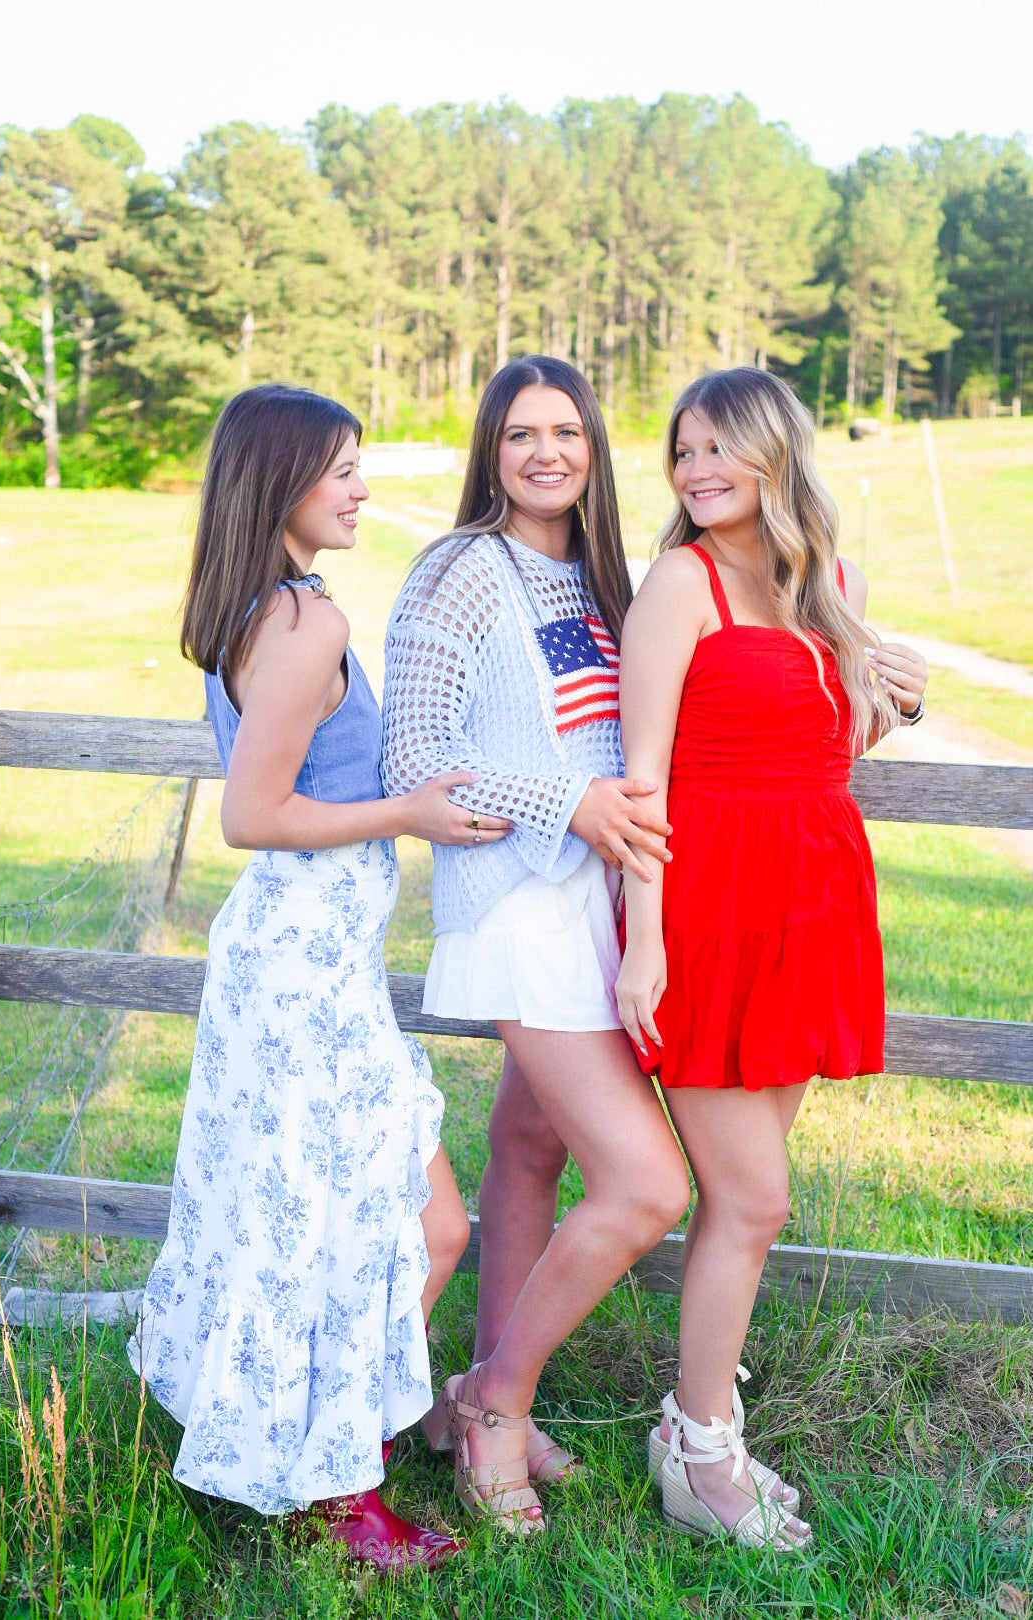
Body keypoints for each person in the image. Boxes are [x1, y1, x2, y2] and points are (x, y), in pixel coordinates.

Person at [127, 383, 510, 1570]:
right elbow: (252, 812)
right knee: (394, 1228)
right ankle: (335, 1493)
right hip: (301, 965)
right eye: (339, 469)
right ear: (279, 480)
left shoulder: (267, 606)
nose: (360, 487)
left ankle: (314, 1453)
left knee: (393, 1221)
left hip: (307, 958)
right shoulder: (303, 622)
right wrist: (417, 813)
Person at [616, 367, 928, 1550]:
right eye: (681, 453)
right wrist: (644, 940)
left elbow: (828, 737)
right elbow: (643, 780)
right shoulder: (677, 586)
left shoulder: (827, 582)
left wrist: (899, 700)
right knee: (753, 1197)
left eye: (716, 450)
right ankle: (700, 1455)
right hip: (709, 912)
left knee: (744, 1202)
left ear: (772, 452)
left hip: (813, 904)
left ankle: (696, 1427)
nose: (695, 472)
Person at [382, 355, 690, 1535]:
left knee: (525, 1149)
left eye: (566, 431)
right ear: (490, 450)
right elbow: (413, 758)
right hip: (517, 903)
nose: (545, 452)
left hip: (595, 905)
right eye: (521, 434)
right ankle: (494, 1401)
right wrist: (567, 802)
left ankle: (463, 1406)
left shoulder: (607, 576)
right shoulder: (461, 570)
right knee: (649, 1182)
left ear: (594, 448)